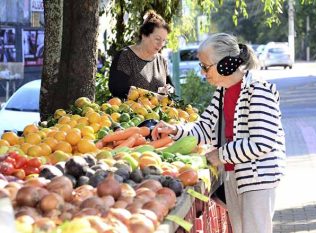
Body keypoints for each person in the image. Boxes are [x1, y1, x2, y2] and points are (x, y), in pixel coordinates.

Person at [151, 33, 286, 233]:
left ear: (226, 64)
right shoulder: (223, 91)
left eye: (206, 66)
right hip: (234, 175)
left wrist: (220, 155)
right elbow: (204, 127)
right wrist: (174, 130)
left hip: (258, 180)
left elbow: (262, 143)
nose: (203, 73)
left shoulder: (258, 89)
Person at [108, 10, 173, 99]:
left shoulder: (162, 61)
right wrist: (156, 97)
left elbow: (171, 90)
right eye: (157, 39)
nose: (161, 44)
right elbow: (118, 89)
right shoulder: (125, 56)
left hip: (157, 112)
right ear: (144, 35)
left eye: (164, 40)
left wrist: (169, 90)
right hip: (128, 112)